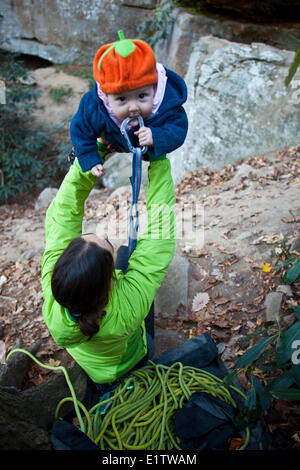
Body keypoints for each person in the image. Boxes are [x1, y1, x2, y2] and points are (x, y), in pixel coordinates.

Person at [41, 151, 175, 387]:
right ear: (111, 284)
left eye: (90, 235)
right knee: (133, 264)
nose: (103, 233)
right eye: (106, 242)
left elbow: (62, 216)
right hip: (134, 360)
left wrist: (91, 155)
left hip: (93, 367)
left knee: (124, 254)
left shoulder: (54, 298)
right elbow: (159, 238)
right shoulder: (128, 306)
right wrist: (159, 162)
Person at [69, 30, 188, 177]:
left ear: (154, 87)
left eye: (142, 96)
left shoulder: (166, 102)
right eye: (122, 99)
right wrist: (90, 159)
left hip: (147, 140)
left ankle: (161, 200)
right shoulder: (95, 104)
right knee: (81, 161)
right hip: (110, 138)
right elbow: (80, 129)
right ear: (106, 96)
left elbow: (178, 129)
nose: (133, 107)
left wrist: (156, 137)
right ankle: (66, 199)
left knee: (160, 162)